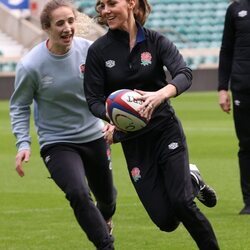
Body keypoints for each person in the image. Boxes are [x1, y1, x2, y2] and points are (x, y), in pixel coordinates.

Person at [84, 0, 220, 249]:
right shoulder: (98, 51)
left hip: (165, 131)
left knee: (183, 204)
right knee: (165, 221)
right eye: (101, 6)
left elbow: (184, 73)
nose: (105, 11)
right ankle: (192, 180)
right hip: (132, 140)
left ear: (131, 3)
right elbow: (93, 100)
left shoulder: (156, 41)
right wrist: (111, 117)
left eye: (111, 3)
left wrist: (162, 94)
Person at [9, 0, 116, 249]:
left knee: (107, 200)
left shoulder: (91, 51)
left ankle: (106, 218)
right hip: (57, 143)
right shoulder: (31, 65)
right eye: (60, 23)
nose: (68, 28)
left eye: (70, 21)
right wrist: (23, 143)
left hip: (94, 135)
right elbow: (19, 106)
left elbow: (110, 88)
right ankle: (106, 245)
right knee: (78, 193)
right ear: (47, 28)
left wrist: (112, 120)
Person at [218, 0, 250, 215]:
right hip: (243, 86)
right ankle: (249, 201)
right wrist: (222, 88)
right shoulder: (236, 8)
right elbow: (226, 49)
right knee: (246, 145)